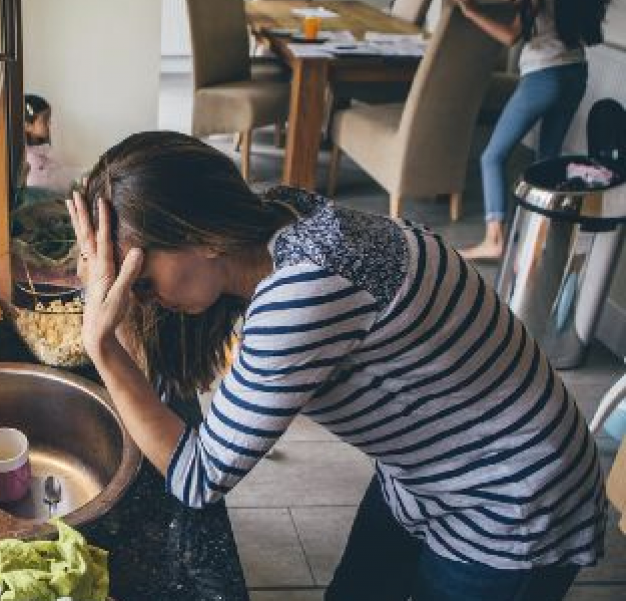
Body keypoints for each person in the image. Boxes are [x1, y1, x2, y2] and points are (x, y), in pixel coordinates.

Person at [67, 131, 605, 601]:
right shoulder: (281, 216)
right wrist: (115, 288)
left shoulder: (301, 292)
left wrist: (102, 343)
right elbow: (167, 383)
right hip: (422, 474)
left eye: (138, 280)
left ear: (204, 238)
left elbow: (197, 476)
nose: (135, 298)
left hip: (510, 497)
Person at [456, 0, 611, 260]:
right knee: (547, 160)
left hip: (544, 76)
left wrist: (470, 10)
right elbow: (555, 13)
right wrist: (526, 3)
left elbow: (510, 36)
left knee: (492, 156)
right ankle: (538, 239)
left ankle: (495, 240)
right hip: (575, 72)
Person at [24, 94, 80, 193]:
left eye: (49, 119)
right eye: (45, 120)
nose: (49, 123)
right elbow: (49, 183)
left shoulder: (40, 151)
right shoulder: (32, 160)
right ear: (28, 126)